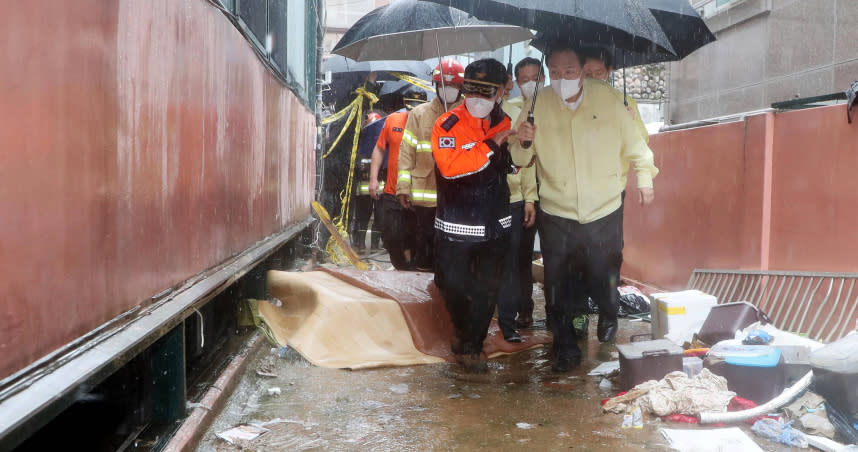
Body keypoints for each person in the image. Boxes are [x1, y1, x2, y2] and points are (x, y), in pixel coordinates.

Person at [512, 45, 659, 372]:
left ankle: (608, 311)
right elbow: (520, 160)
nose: (562, 78)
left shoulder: (609, 99)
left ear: (582, 71)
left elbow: (637, 145)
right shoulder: (538, 104)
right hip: (557, 208)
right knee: (559, 281)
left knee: (603, 270)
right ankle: (566, 345)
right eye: (555, 71)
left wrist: (645, 178)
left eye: (570, 71)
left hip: (604, 205)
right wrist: (522, 141)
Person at [432, 58, 515, 373]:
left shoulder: (504, 122)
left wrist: (522, 145)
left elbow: (515, 167)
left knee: (487, 288)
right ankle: (463, 329)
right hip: (456, 224)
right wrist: (491, 145)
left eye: (487, 91)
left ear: (500, 93)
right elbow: (451, 167)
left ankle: (472, 346)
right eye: (472, 90)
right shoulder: (447, 124)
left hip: (495, 224)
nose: (478, 99)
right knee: (450, 283)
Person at [574, 47, 653, 339]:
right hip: (577, 194)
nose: (593, 78)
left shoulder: (625, 102)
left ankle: (608, 318)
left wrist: (629, 122)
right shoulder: (570, 103)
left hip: (610, 195)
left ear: (608, 73)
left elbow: (640, 144)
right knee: (577, 260)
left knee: (608, 259)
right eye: (587, 74)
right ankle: (579, 316)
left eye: (598, 73)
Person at [396, 59, 465, 271]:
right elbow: (406, 152)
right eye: (444, 85)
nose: (448, 91)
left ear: (461, 87)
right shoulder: (419, 115)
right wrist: (403, 187)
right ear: (435, 86)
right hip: (424, 196)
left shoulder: (469, 116)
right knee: (424, 251)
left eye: (453, 86)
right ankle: (426, 299)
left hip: (457, 198)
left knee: (451, 252)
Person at [497, 58, 543, 341]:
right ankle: (506, 314)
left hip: (522, 196)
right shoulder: (497, 113)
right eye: (523, 78)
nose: (529, 84)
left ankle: (524, 308)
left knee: (522, 259)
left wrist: (529, 197)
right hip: (497, 199)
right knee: (503, 260)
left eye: (534, 78)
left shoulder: (531, 111)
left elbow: (528, 162)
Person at [368, 89, 427, 269]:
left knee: (416, 239)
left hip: (419, 194)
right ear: (404, 104)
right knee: (391, 237)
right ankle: (401, 267)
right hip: (392, 192)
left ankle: (411, 271)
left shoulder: (432, 125)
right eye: (410, 109)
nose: (413, 114)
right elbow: (379, 148)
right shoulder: (392, 121)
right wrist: (373, 178)